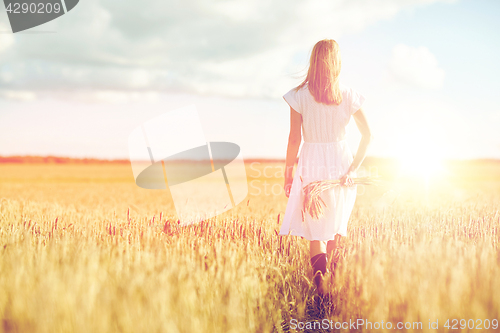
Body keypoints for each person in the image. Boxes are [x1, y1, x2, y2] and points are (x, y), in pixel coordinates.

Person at [279, 39, 373, 295]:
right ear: (337, 63)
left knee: (315, 231)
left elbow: (294, 139)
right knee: (335, 227)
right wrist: (353, 169)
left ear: (313, 61)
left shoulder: (298, 95)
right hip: (341, 164)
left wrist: (288, 176)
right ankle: (332, 286)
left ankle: (321, 287)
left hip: (311, 164)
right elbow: (368, 135)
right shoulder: (349, 95)